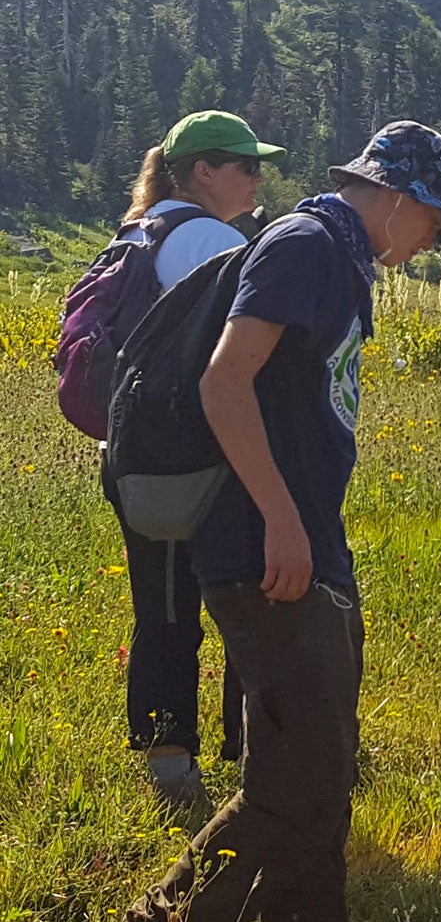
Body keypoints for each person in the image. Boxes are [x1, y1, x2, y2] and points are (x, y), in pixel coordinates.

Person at [110, 121, 441, 922]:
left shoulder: (340, 258)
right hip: (263, 552)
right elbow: (226, 383)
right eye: (435, 223)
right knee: (292, 780)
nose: (432, 241)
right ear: (397, 196)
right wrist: (278, 517)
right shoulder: (308, 246)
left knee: (319, 778)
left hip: (304, 550)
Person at [108, 111, 286, 810]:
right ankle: (198, 765)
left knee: (162, 605)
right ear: (203, 171)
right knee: (233, 599)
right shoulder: (209, 239)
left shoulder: (138, 230)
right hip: (193, 460)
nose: (257, 177)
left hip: (135, 457)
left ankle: (172, 751)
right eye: (245, 165)